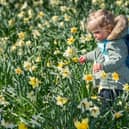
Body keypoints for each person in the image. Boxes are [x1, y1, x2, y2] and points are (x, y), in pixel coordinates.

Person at [79, 9, 129, 105]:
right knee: (104, 101)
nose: (94, 36)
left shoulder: (116, 43)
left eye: (97, 32)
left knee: (107, 104)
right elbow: (97, 53)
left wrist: (102, 66)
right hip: (107, 80)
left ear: (109, 29)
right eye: (93, 33)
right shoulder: (105, 42)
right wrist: (86, 57)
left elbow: (118, 59)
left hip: (116, 82)